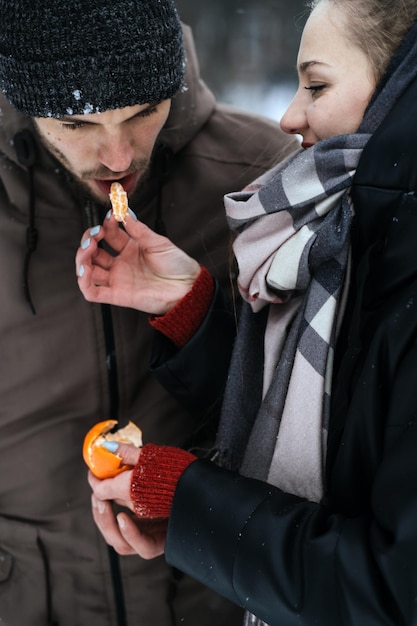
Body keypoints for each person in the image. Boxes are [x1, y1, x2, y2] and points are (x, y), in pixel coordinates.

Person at [77, 0, 417, 624]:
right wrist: (193, 311)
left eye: (316, 84)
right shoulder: (353, 240)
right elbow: (335, 429)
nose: (288, 116)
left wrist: (192, 506)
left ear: (402, 92)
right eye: (76, 123)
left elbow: (391, 592)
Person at [0, 1, 299, 625]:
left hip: (212, 596)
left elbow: (309, 421)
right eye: (76, 124)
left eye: (141, 113)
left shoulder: (267, 176)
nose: (117, 155)